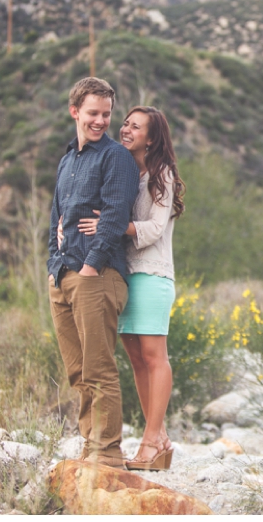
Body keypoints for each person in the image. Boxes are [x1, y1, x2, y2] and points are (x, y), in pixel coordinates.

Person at [75, 106, 185, 471]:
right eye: (125, 123)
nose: (125, 129)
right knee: (137, 360)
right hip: (124, 275)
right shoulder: (123, 171)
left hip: (152, 276)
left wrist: (117, 225)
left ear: (150, 138)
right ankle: (160, 436)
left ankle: (152, 440)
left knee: (155, 358)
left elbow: (154, 228)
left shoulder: (162, 175)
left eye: (134, 126)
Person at [47, 77, 140, 469]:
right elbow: (56, 218)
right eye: (93, 113)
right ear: (75, 112)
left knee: (99, 368)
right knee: (77, 370)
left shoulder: (116, 158)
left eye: (106, 114)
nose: (101, 121)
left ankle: (107, 454)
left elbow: (116, 215)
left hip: (97, 277)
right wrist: (54, 264)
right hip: (62, 276)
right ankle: (90, 445)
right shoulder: (68, 160)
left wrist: (90, 265)